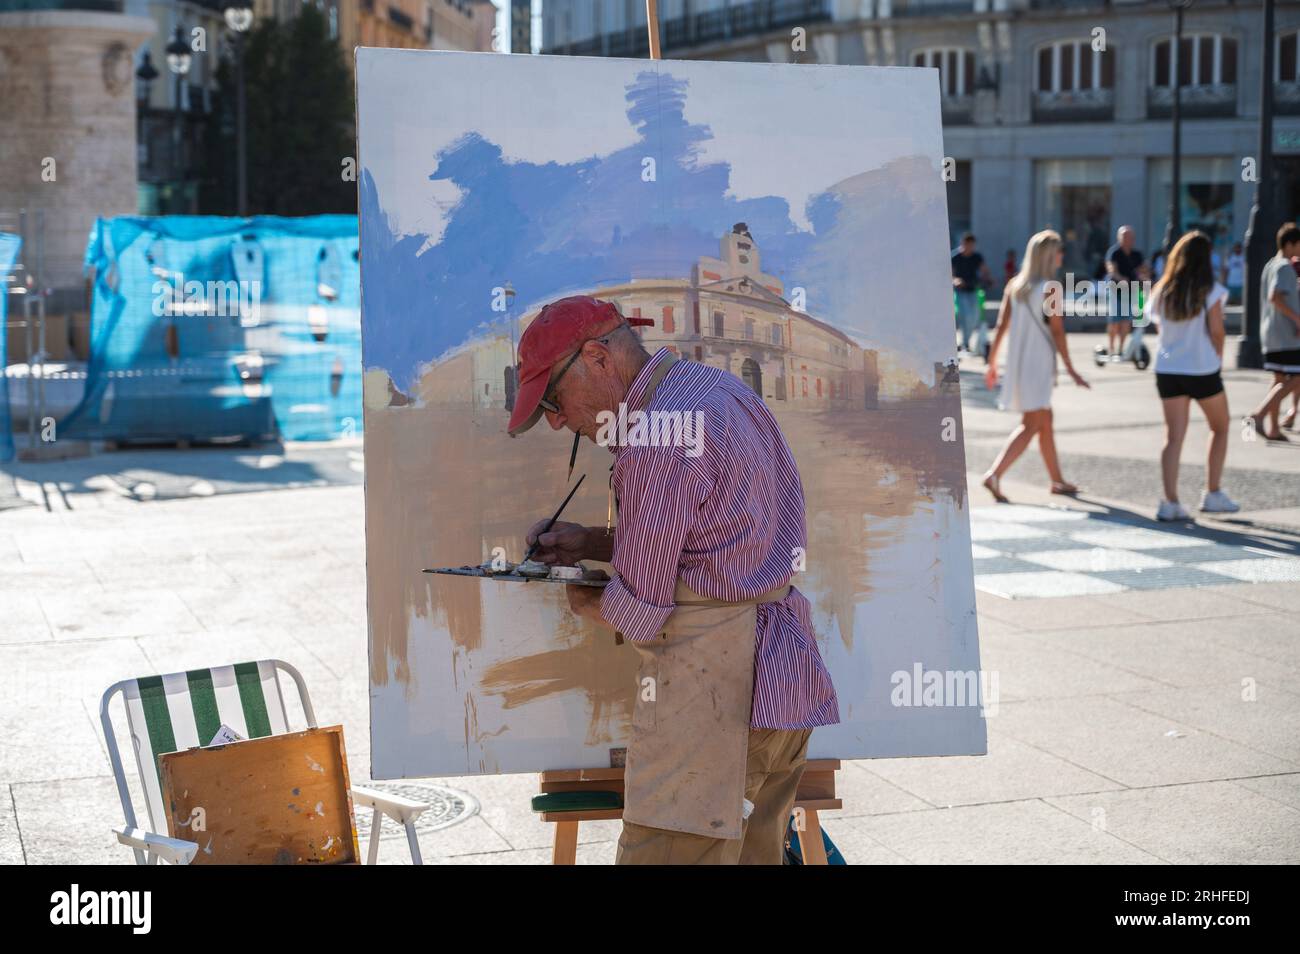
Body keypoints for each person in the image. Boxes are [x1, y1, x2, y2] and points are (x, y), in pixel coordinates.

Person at [508, 295, 839, 865]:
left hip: (717, 701)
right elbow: (722, 540)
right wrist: (593, 542)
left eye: (555, 400)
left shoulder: (657, 434)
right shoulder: (711, 388)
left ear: (597, 359)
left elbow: (642, 610)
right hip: (782, 683)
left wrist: (580, 593)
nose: (559, 421)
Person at [982, 230, 1090, 502]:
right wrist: (1071, 367)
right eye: (1059, 251)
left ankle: (1056, 480)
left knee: (1045, 420)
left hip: (1019, 362)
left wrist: (992, 361)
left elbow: (1001, 325)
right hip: (1039, 361)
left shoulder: (1015, 286)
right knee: (1032, 423)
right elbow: (1057, 331)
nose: (1062, 256)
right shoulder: (1051, 288)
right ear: (1049, 256)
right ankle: (994, 474)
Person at [1147, 231, 1239, 520]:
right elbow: (1217, 331)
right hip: (1201, 367)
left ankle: (1169, 501)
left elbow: (1158, 326)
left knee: (1173, 437)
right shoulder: (1210, 290)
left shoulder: (1164, 289)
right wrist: (1218, 358)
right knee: (1220, 427)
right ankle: (1212, 493)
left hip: (1167, 368)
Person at [1250, 223, 1300, 441]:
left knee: (1279, 380)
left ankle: (1273, 428)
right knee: (1297, 377)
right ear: (1290, 244)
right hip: (1284, 334)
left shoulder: (1270, 265)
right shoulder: (1284, 267)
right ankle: (1258, 414)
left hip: (1270, 333)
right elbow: (1275, 297)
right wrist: (1299, 320)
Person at [1103, 226, 1143, 362]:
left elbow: (1142, 270)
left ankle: (1121, 348)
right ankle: (1111, 348)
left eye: (1130, 237)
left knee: (1126, 320)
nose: (1128, 240)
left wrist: (1145, 277)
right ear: (1119, 238)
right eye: (1125, 237)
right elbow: (1111, 270)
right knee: (1115, 321)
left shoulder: (1136, 255)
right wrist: (1121, 278)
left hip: (1130, 291)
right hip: (1115, 289)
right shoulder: (1114, 253)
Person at [952, 232, 992, 358]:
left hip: (974, 290)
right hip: (961, 291)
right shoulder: (956, 257)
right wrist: (956, 280)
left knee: (974, 317)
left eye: (972, 245)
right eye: (968, 244)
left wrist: (988, 279)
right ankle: (965, 343)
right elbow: (950, 274)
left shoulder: (977, 257)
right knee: (965, 317)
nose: (970, 247)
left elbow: (984, 270)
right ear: (963, 244)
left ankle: (965, 342)